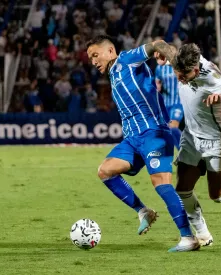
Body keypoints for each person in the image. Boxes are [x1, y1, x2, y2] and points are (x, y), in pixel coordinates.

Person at [86, 35, 199, 252]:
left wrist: (177, 63)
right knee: (105, 171)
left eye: (95, 55)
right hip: (132, 139)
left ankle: (188, 237)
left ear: (110, 51)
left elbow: (156, 44)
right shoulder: (113, 74)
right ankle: (143, 211)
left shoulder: (126, 60)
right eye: (90, 58)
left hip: (154, 132)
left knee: (161, 184)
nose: (93, 61)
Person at [164, 43, 221, 246]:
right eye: (177, 74)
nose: (179, 79)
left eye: (183, 76)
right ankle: (202, 234)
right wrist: (159, 53)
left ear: (195, 69)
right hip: (191, 137)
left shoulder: (211, 77)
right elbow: (167, 48)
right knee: (182, 189)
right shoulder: (181, 60)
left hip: (217, 139)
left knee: (217, 196)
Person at [155, 45, 183, 149]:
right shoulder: (160, 67)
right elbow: (157, 84)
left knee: (173, 127)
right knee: (166, 131)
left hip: (178, 103)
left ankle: (184, 153)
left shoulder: (180, 66)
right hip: (165, 104)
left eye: (172, 51)